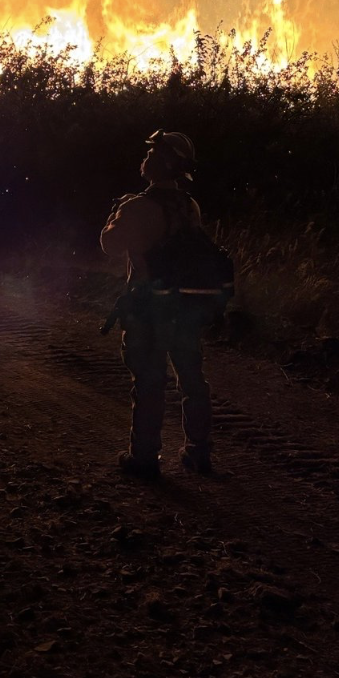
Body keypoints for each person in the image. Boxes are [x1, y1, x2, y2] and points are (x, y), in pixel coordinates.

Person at [100, 130, 220, 480]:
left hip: (148, 308)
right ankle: (199, 451)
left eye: (151, 152)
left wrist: (117, 213)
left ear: (159, 162)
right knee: (192, 378)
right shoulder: (190, 206)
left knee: (150, 381)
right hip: (185, 307)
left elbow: (109, 244)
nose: (146, 156)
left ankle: (144, 457)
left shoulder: (136, 206)